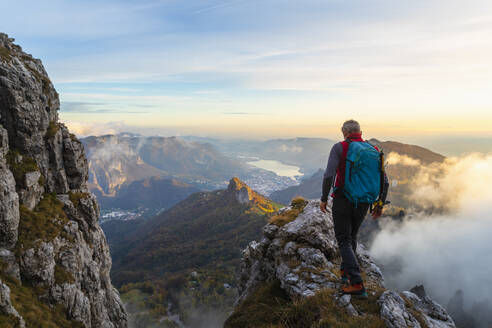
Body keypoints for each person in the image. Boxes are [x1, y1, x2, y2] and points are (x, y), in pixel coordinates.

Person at [320, 119, 389, 296]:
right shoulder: (373, 150)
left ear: (344, 132)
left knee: (343, 239)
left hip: (344, 199)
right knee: (352, 237)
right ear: (360, 131)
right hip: (364, 202)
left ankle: (357, 283)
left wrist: (324, 198)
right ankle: (345, 273)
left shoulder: (339, 147)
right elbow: (385, 181)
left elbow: (329, 175)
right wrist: (379, 204)